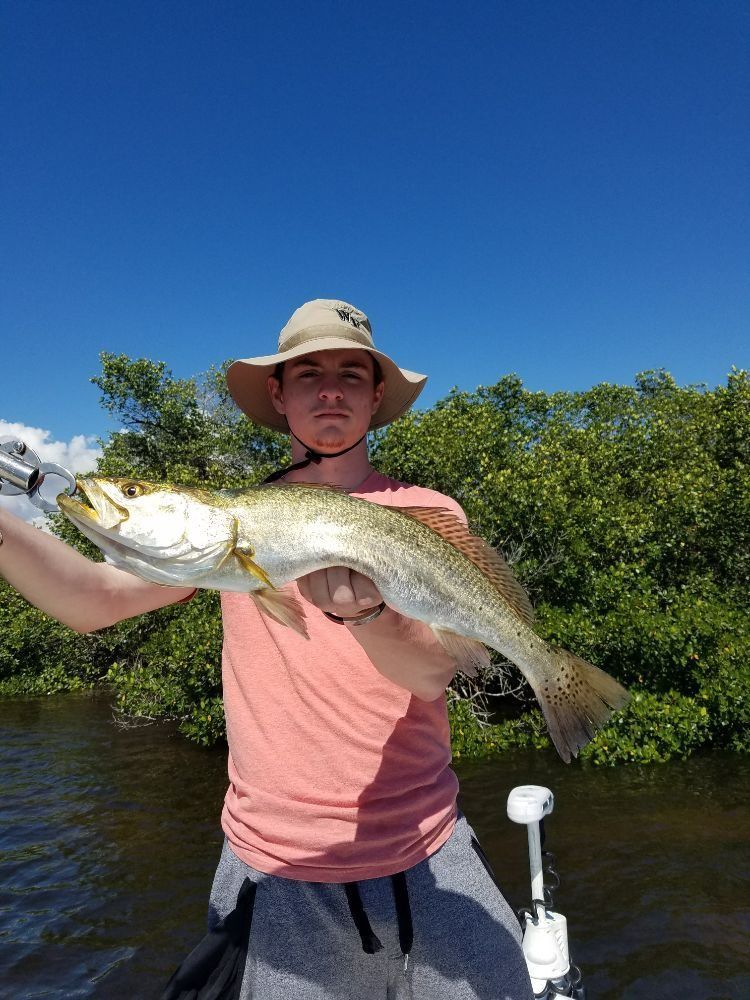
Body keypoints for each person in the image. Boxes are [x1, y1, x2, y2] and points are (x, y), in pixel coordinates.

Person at [0, 299, 533, 1000]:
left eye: (352, 373)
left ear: (377, 395)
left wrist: (370, 613)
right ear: (278, 396)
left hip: (428, 845)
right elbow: (93, 599)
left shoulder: (429, 513)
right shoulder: (227, 530)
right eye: (308, 374)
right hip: (276, 866)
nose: (332, 389)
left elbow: (436, 674)